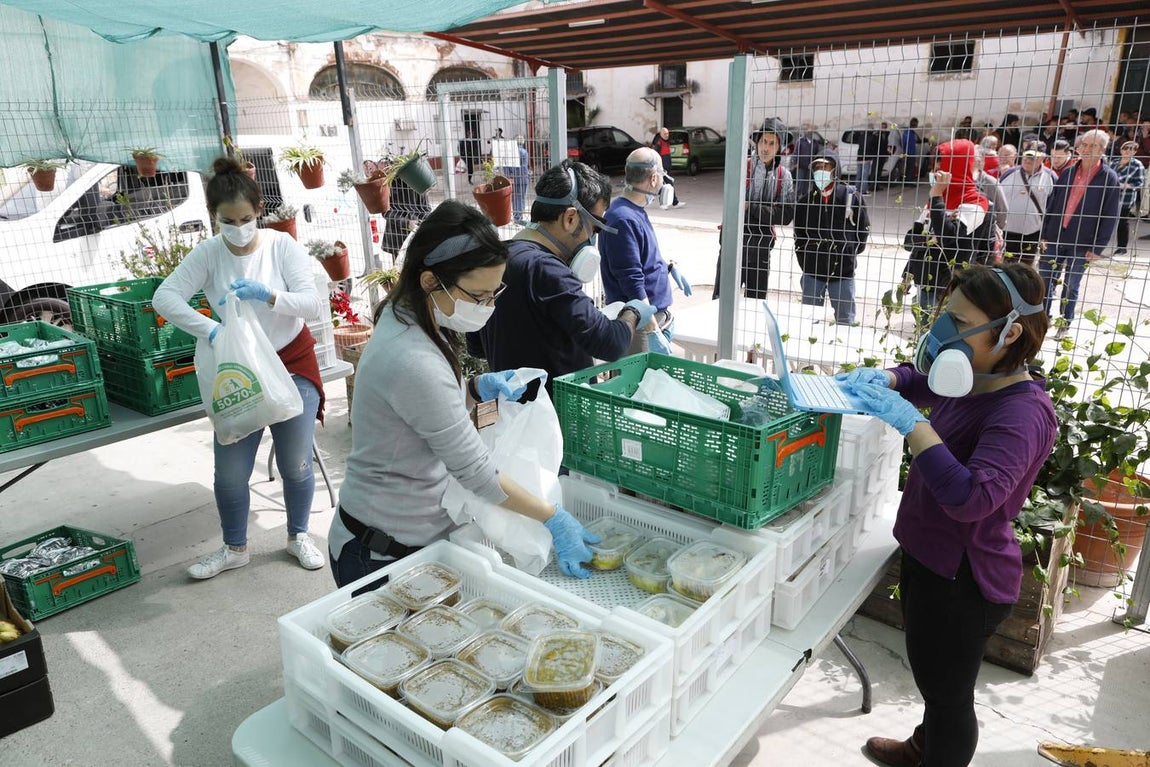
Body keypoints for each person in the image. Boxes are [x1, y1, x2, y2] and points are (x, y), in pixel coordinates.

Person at [839, 263, 1057, 767]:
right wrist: (892, 379)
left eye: (958, 325)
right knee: (935, 681)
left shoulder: (1021, 413)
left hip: (964, 581)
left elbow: (970, 498)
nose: (941, 333)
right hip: (930, 558)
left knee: (948, 696)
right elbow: (926, 383)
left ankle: (937, 752)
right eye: (945, 316)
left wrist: (912, 425)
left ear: (1010, 334)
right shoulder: (977, 377)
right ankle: (923, 746)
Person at [328, 200, 600, 587]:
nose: (488, 306)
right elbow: (476, 473)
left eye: (494, 293)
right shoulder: (412, 357)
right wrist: (551, 515)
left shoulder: (411, 314)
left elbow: (417, 411)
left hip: (408, 537)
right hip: (379, 553)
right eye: (478, 296)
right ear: (428, 280)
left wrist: (473, 389)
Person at [154, 156, 326, 580]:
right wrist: (212, 331)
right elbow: (165, 297)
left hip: (290, 361)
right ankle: (235, 547)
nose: (237, 228)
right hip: (240, 368)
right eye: (227, 221)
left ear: (259, 210)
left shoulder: (281, 246)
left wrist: (269, 295)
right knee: (230, 472)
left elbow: (310, 301)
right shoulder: (209, 254)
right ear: (214, 218)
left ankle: (298, 535)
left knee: (296, 463)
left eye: (245, 218)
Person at [466, 161, 658, 401]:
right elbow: (610, 343)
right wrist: (632, 312)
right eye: (594, 228)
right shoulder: (548, 270)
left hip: (514, 412)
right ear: (570, 218)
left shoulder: (495, 259)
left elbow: (477, 345)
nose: (592, 240)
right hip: (559, 417)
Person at [599, 147, 689, 354]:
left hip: (649, 320)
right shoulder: (622, 218)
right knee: (640, 385)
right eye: (662, 178)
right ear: (654, 178)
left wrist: (668, 268)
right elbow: (631, 280)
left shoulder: (632, 212)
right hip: (640, 326)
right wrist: (653, 331)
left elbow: (640, 258)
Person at [1038, 129, 1122, 327]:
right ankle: (1043, 319)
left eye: (1092, 146)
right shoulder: (1068, 172)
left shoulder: (1109, 178)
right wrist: (1045, 234)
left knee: (1071, 285)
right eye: (1083, 144)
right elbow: (1053, 205)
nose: (1086, 149)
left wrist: (1098, 247)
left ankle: (1065, 322)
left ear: (1103, 149)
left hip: (1083, 242)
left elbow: (1110, 216)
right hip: (1056, 237)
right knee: (1046, 279)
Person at [713, 119, 795, 300]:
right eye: (763, 141)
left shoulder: (784, 176)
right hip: (732, 245)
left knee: (755, 305)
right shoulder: (741, 167)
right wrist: (768, 210)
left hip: (761, 249)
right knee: (722, 301)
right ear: (757, 142)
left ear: (779, 147)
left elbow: (786, 215)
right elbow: (733, 205)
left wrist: (750, 206)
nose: (766, 148)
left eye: (772, 143)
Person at [793, 152, 870, 325]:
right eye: (817, 168)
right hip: (813, 272)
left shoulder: (852, 197)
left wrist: (849, 253)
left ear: (835, 170)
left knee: (845, 321)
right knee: (809, 322)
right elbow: (799, 236)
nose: (821, 171)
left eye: (826, 167)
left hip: (843, 272)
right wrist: (807, 261)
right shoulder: (806, 202)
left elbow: (863, 230)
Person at [999, 142, 1056, 266]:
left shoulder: (1051, 178)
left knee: (1025, 270)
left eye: (1033, 157)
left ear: (1042, 158)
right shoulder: (1008, 174)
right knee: (1004, 267)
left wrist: (1047, 235)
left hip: (1032, 234)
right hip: (1006, 232)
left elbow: (1053, 208)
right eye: (1026, 156)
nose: (1028, 160)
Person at [381, 175, 432, 260]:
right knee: (398, 268)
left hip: (416, 233)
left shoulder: (418, 181)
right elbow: (385, 211)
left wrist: (423, 222)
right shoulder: (389, 183)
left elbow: (426, 209)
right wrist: (406, 223)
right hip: (396, 236)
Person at [1110, 140, 1144, 257]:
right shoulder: (1113, 162)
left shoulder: (1137, 165)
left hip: (1125, 198)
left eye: (1132, 149)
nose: (1128, 150)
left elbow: (1139, 184)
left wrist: (1124, 185)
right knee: (1103, 221)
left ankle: (1121, 248)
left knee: (1122, 223)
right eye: (1126, 148)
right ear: (1121, 150)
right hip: (1110, 197)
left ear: (1135, 152)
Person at [650, 126, 682, 209]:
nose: (667, 135)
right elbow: (655, 156)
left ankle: (675, 202)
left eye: (667, 133)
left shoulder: (667, 142)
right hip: (662, 169)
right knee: (663, 185)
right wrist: (660, 168)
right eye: (665, 133)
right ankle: (664, 204)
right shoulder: (659, 143)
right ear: (661, 134)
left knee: (669, 184)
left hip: (667, 169)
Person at [505, 135, 530, 225]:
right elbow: (524, 167)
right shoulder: (524, 152)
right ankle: (519, 218)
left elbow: (506, 166)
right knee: (522, 197)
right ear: (522, 142)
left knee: (515, 198)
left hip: (512, 179)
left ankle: (516, 216)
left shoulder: (509, 152)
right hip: (522, 178)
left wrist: (509, 176)